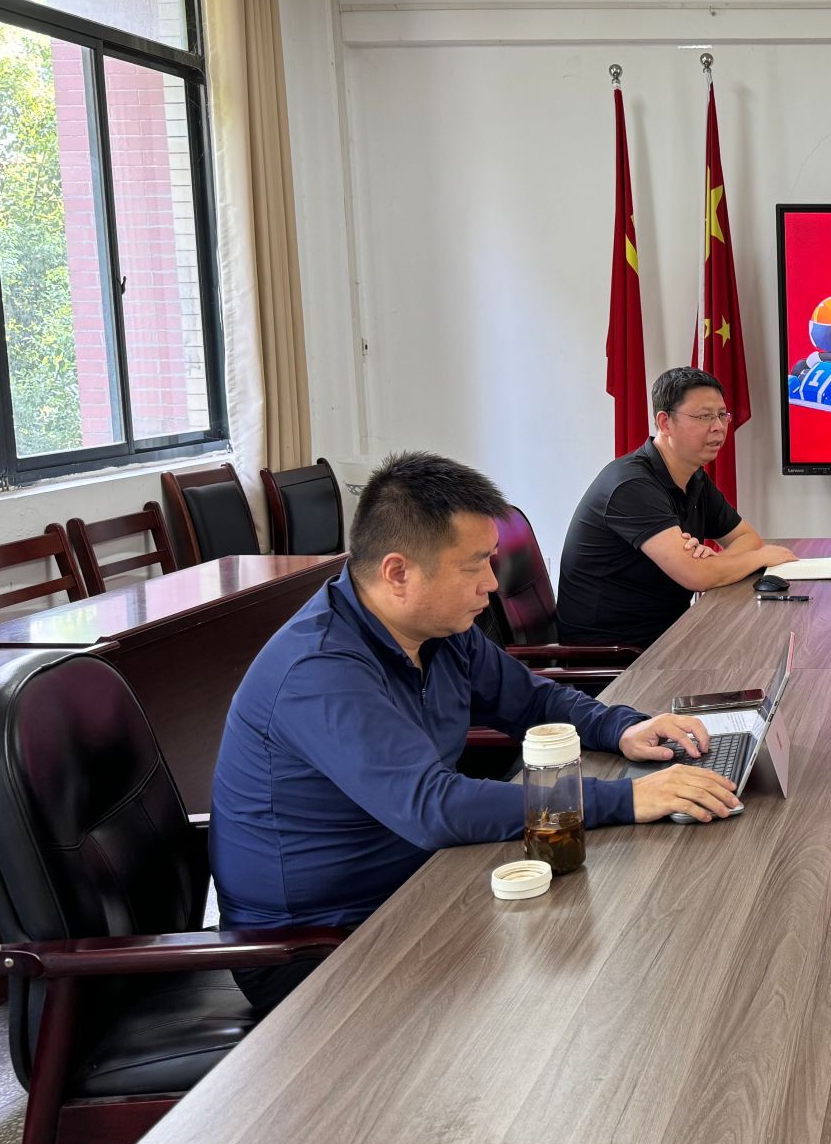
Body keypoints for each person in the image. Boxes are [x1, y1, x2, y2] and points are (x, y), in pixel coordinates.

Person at [211, 452, 740, 1013]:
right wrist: (628, 798)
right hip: (317, 951)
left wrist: (624, 726)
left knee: (624, 940)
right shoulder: (319, 671)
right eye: (473, 567)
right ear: (398, 573)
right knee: (581, 990)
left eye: (491, 560)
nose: (491, 583)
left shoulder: (437, 629)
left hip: (424, 886)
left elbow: (531, 699)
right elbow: (434, 807)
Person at [558, 366, 797, 650]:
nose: (718, 427)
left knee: (773, 643)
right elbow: (697, 576)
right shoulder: (631, 485)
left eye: (722, 415)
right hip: (615, 653)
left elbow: (746, 538)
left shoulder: (693, 477)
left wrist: (713, 564)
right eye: (704, 416)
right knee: (763, 651)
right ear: (665, 422)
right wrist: (758, 558)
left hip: (669, 634)